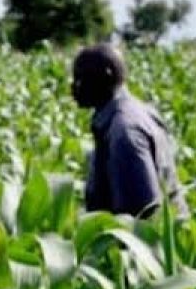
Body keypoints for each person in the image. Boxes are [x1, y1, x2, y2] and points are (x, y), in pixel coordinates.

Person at [72, 43, 183, 217]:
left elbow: (141, 216)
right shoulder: (140, 111)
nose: (74, 86)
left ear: (105, 77)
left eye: (80, 78)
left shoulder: (124, 132)